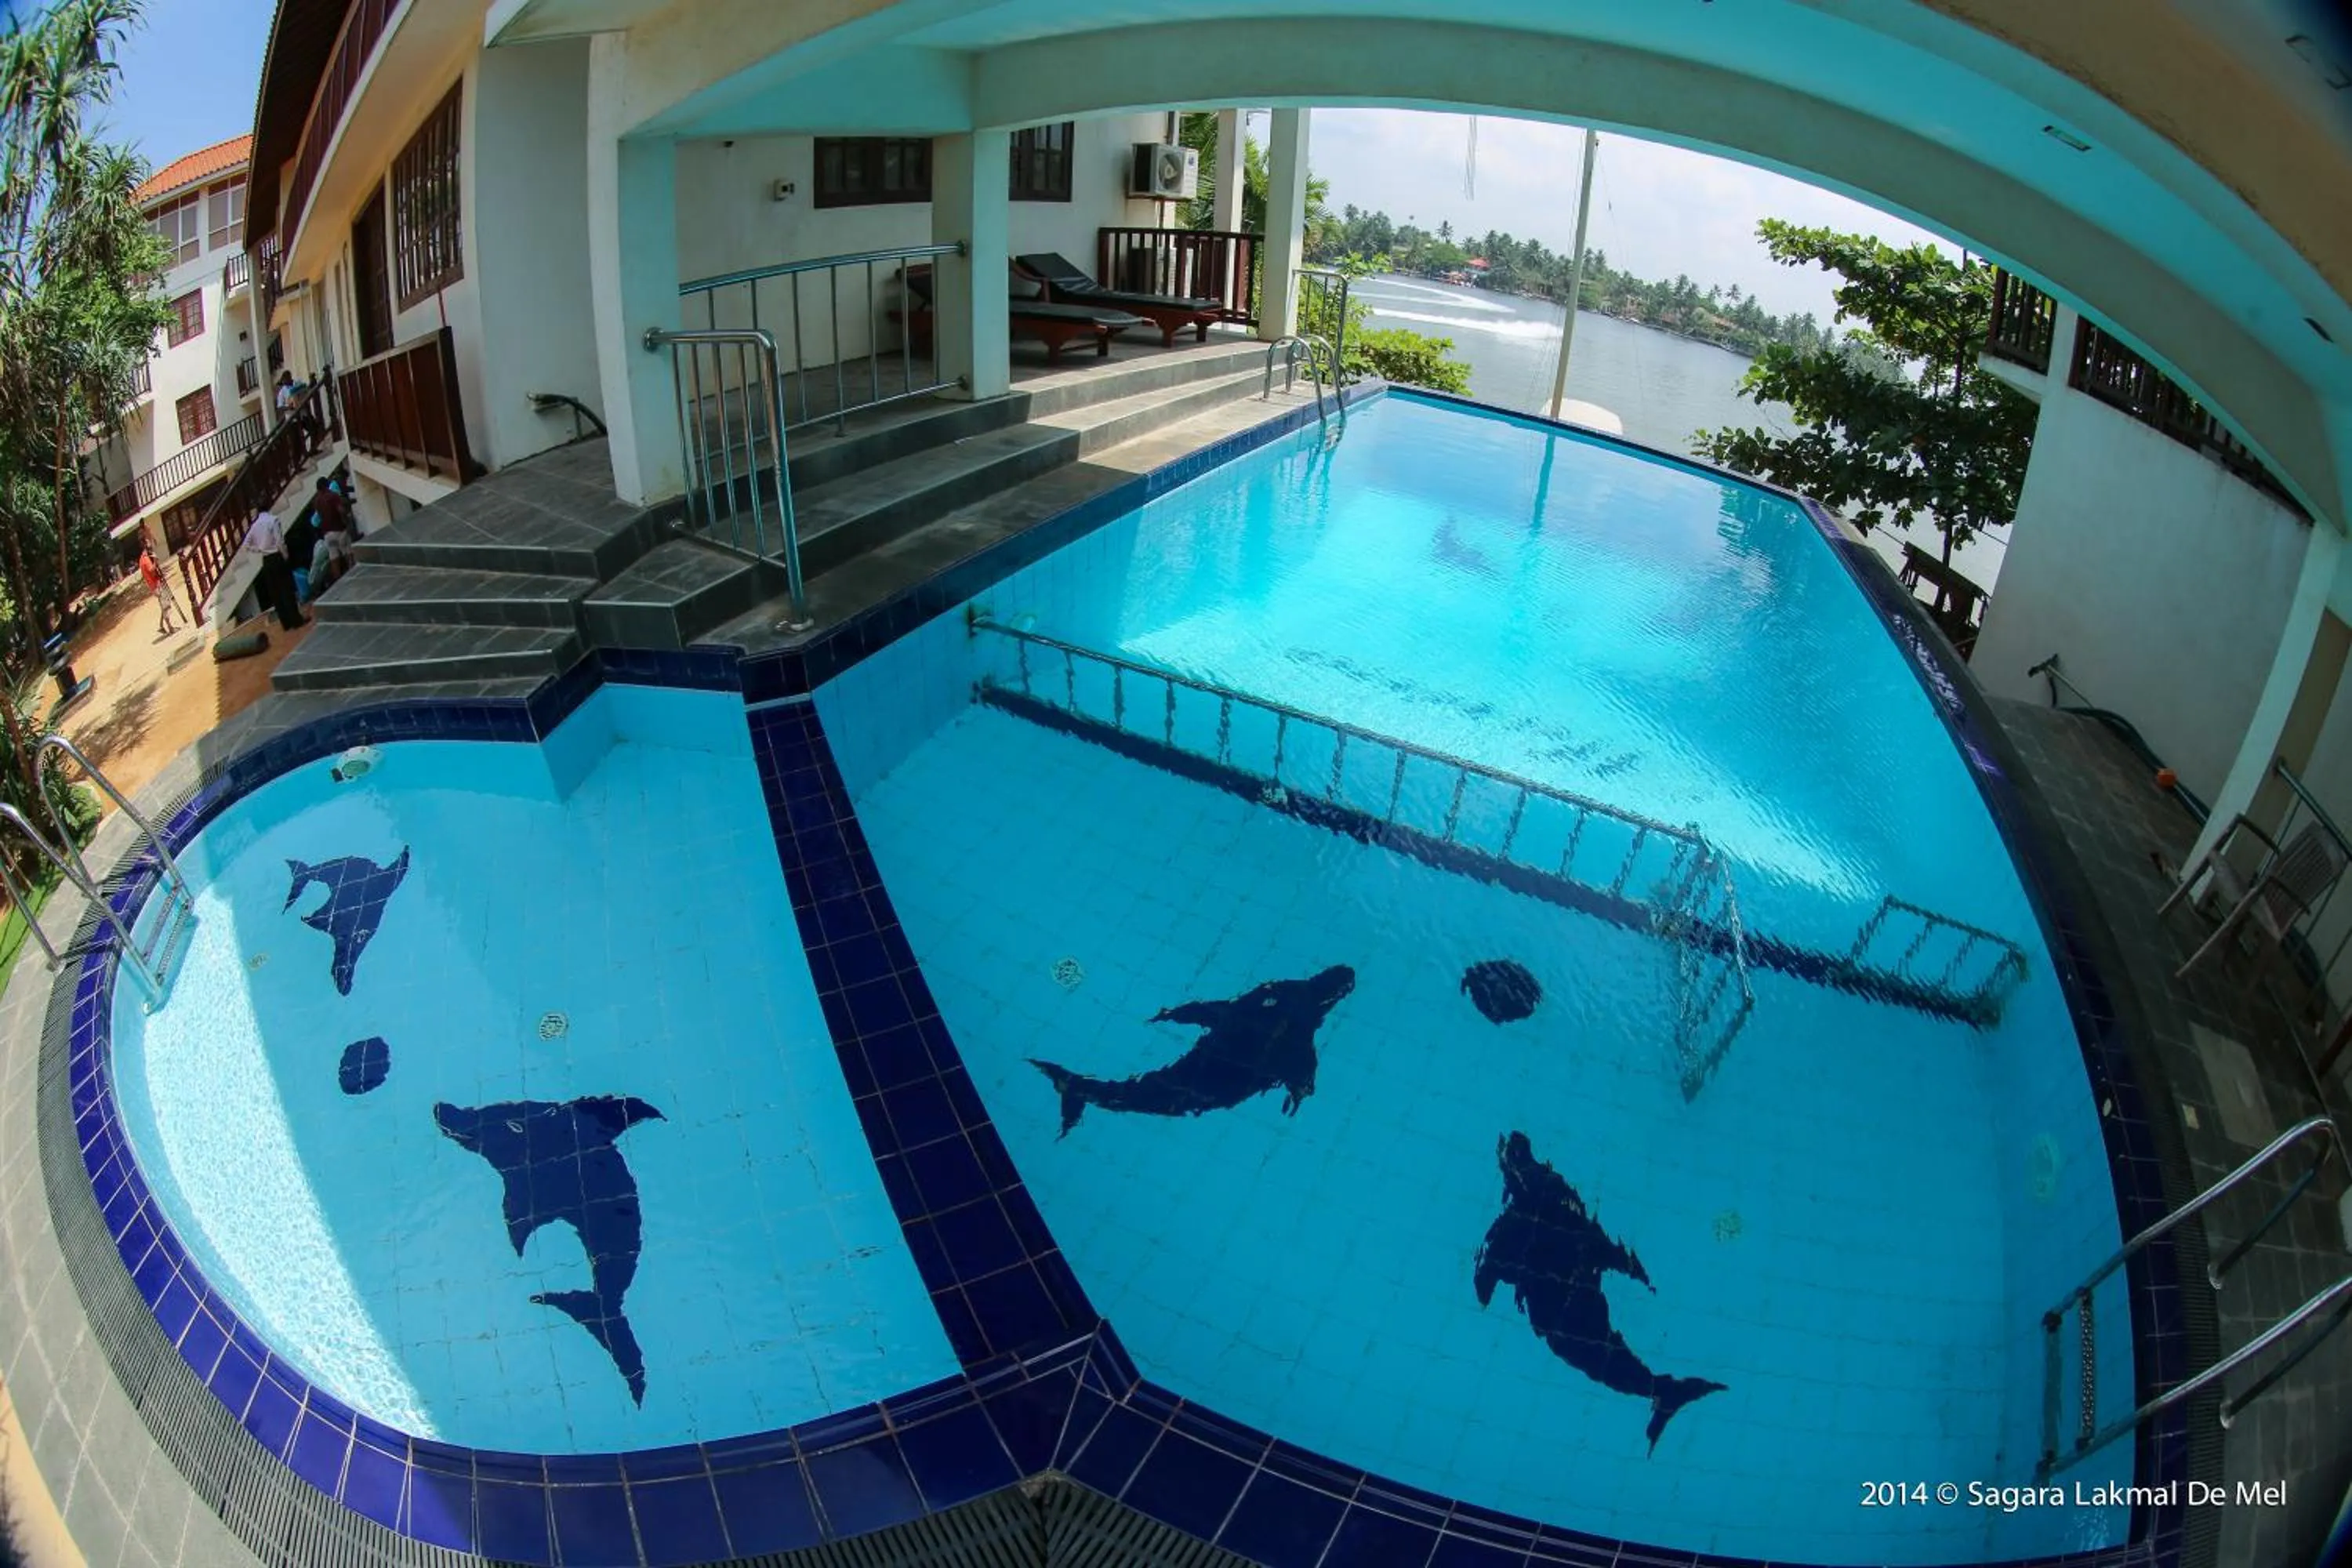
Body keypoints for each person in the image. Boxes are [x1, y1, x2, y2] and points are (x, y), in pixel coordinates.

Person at [244, 506, 305, 630]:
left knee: (276, 593)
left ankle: (286, 623)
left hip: (266, 559)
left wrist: (259, 549)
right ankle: (296, 620)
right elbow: (279, 541)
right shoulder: (273, 520)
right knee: (286, 589)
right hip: (277, 556)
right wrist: (285, 555)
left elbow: (246, 544)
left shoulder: (255, 526)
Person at [138, 543, 182, 636]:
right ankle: (170, 628)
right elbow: (151, 570)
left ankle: (161, 626)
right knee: (166, 605)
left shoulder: (142, 559)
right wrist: (155, 561)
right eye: (150, 547)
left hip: (154, 586)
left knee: (164, 604)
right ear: (146, 548)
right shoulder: (146, 559)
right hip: (157, 585)